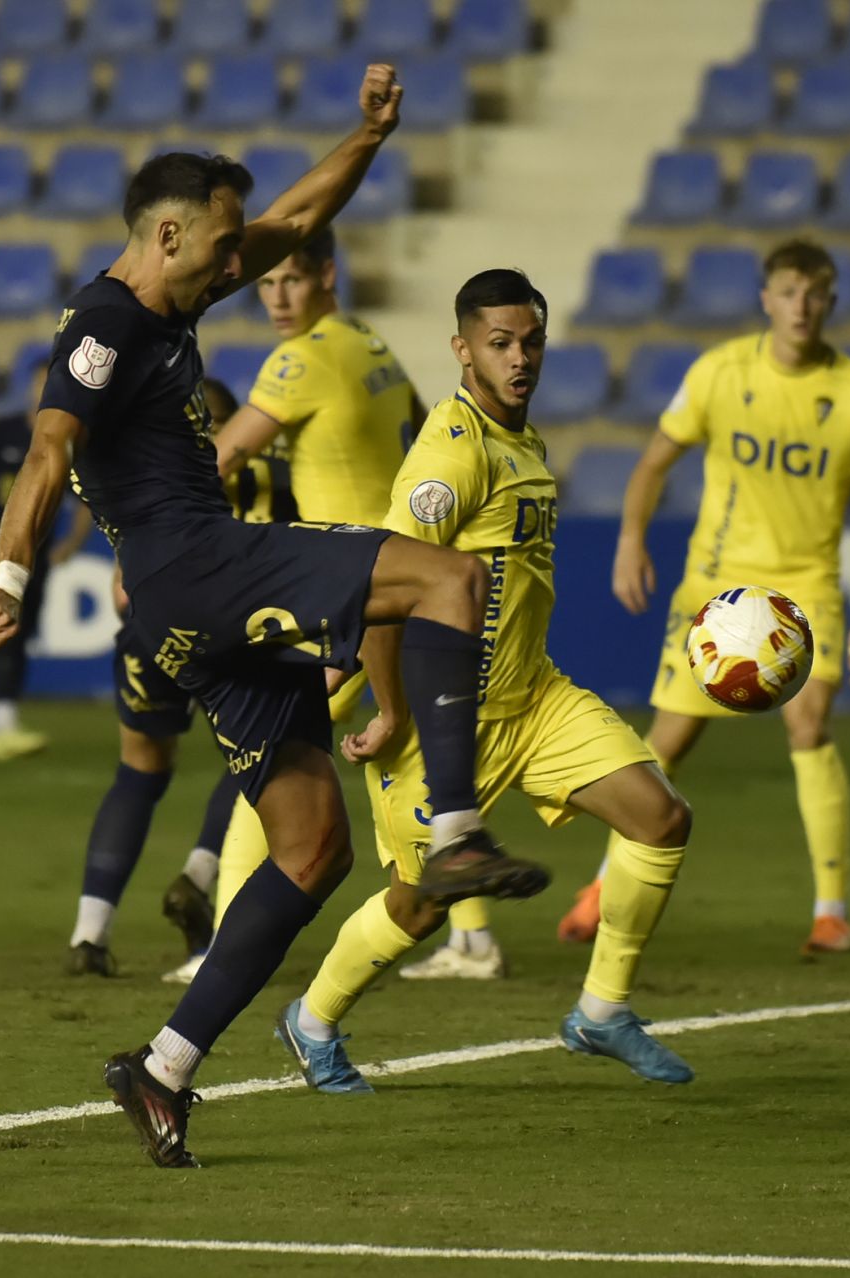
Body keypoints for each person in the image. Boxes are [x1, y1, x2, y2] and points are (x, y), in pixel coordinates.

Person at [0, 66, 550, 1170]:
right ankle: (459, 836)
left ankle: (163, 1071)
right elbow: (49, 447)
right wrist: (9, 577)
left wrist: (370, 135)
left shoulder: (182, 291)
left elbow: (296, 219)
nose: (246, 256)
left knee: (313, 847)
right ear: (172, 231)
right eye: (225, 238)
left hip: (190, 604)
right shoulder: (104, 320)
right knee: (449, 581)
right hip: (199, 563)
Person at [274, 269, 696, 1094]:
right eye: (500, 344)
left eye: (530, 341)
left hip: (533, 698)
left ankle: (602, 1011)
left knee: (660, 816)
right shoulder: (451, 456)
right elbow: (384, 587)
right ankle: (312, 1020)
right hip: (444, 721)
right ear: (463, 350)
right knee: (418, 905)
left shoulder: (522, 440)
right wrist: (391, 706)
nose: (520, 358)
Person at [555, 238, 850, 957]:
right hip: (721, 588)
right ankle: (602, 884)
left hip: (806, 589)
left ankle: (830, 910)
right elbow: (653, 464)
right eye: (788, 293)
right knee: (664, 747)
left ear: (830, 302)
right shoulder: (719, 372)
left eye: (814, 294)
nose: (800, 307)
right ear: (765, 299)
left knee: (809, 726)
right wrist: (630, 541)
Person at [161, 226, 421, 985]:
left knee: (276, 756)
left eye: (292, 282)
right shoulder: (369, 342)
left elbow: (225, 454)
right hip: (399, 573)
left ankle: (222, 946)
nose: (277, 299)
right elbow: (429, 421)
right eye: (267, 286)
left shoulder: (300, 358)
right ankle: (469, 933)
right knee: (411, 750)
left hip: (341, 591)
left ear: (327, 276)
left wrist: (151, 526)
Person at [64, 379, 275, 978]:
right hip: (233, 623)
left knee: (138, 772)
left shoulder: (148, 462)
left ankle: (89, 933)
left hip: (150, 626)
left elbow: (121, 586)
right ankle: (200, 874)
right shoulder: (268, 467)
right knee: (262, 757)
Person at [0, 365, 92, 761]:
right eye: (41, 383)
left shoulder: (69, 435)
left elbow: (84, 500)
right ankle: (0, 724)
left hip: (38, 548)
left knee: (22, 631)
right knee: (4, 624)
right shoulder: (2, 430)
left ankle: (3, 720)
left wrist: (72, 543)